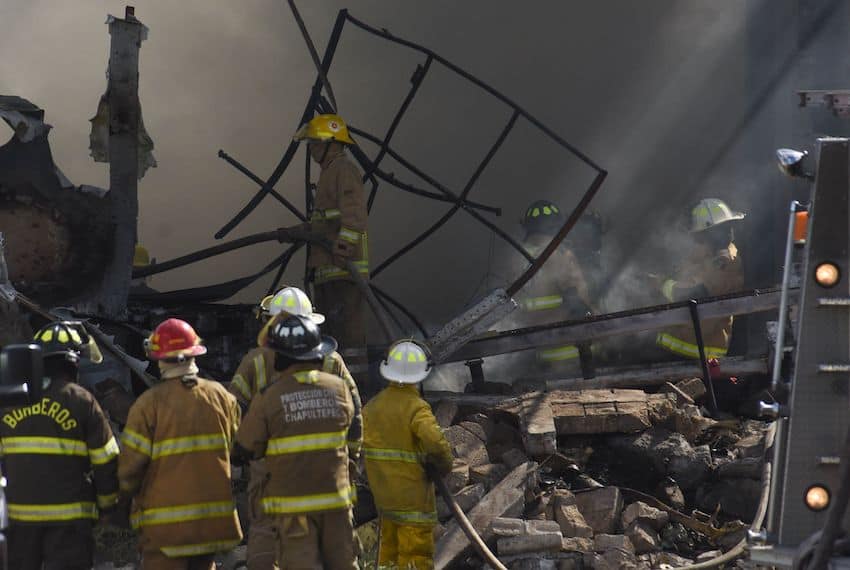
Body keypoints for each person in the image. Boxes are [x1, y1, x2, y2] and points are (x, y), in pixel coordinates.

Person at [228, 286, 362, 569]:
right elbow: (355, 412)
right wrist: (351, 458)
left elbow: (235, 410)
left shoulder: (255, 362)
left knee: (272, 536)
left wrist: (243, 452)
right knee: (339, 551)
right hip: (331, 473)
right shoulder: (333, 366)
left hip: (273, 474)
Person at [118, 318, 242, 569]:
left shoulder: (148, 405)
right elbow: (235, 447)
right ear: (195, 353)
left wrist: (118, 503)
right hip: (213, 525)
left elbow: (130, 469)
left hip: (166, 530)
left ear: (158, 357)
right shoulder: (222, 397)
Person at [2, 321, 118, 570]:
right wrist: (108, 507)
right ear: (72, 362)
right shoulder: (81, 401)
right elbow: (106, 460)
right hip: (70, 519)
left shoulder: (11, 399)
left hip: (20, 516)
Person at [292, 114, 371, 393]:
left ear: (329, 143)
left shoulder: (343, 169)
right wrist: (297, 231)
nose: (311, 150)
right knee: (330, 337)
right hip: (328, 272)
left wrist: (344, 247)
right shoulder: (329, 172)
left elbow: (354, 215)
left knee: (348, 339)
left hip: (343, 271)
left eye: (314, 144)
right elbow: (326, 221)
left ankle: (357, 391)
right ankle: (333, 388)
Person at [362, 339, 454, 570]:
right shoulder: (416, 407)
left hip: (384, 500)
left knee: (388, 557)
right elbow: (436, 444)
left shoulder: (372, 407)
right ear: (420, 374)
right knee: (415, 558)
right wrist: (444, 466)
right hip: (413, 502)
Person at [655, 198, 745, 360]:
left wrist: (662, 285)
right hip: (678, 346)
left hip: (697, 354)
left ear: (710, 234)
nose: (697, 241)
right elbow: (689, 276)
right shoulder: (708, 256)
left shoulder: (724, 262)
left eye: (700, 237)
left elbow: (695, 294)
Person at [514, 200, 595, 375]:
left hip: (538, 358)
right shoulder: (561, 254)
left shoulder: (517, 259)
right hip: (573, 359)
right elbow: (581, 303)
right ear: (558, 224)